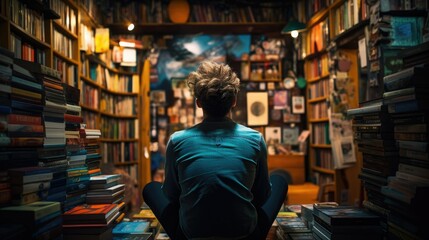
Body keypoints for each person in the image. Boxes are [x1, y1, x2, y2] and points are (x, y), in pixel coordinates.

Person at [143, 61, 289, 240]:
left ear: (198, 102)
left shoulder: (177, 140)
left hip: (191, 236)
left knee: (151, 188)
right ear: (234, 101)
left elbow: (171, 195)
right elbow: (262, 195)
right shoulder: (255, 139)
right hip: (245, 236)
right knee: (279, 181)